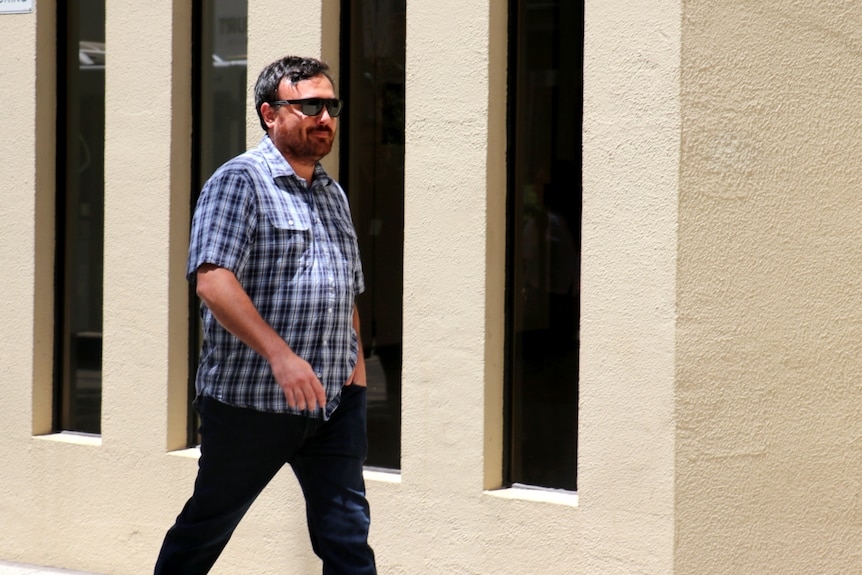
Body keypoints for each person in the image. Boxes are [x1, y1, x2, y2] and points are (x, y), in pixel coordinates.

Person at [154, 55, 376, 574]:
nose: (325, 118)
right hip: (250, 402)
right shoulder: (239, 181)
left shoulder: (332, 193)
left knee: (347, 539)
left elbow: (345, 291)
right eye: (310, 106)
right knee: (207, 527)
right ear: (269, 114)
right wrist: (280, 356)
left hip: (333, 405)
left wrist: (357, 378)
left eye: (331, 106)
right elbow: (212, 280)